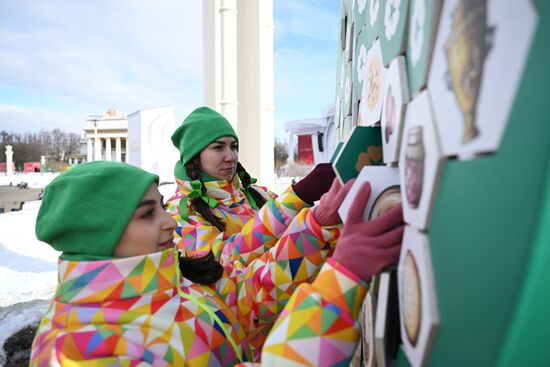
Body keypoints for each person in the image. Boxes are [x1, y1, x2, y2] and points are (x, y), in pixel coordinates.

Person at [29, 161, 402, 366]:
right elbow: (238, 250)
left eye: (160, 205)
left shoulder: (169, 279)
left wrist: (318, 226)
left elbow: (250, 296)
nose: (170, 221)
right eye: (147, 214)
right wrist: (339, 285)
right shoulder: (79, 350)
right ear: (99, 236)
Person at [166, 106, 336, 267]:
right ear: (194, 158)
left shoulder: (256, 193)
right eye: (218, 147)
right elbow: (223, 261)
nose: (231, 157)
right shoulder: (179, 213)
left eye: (233, 146)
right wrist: (298, 196)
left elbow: (298, 233)